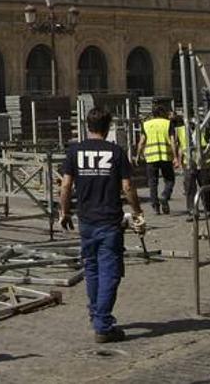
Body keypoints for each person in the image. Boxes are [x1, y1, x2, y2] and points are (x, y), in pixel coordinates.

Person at [58, 106, 145, 343]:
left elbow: (65, 186)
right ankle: (103, 324)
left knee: (93, 269)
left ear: (87, 126)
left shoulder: (74, 151)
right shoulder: (116, 152)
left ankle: (96, 313)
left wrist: (64, 212)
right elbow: (127, 187)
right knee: (110, 272)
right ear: (108, 128)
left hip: (86, 220)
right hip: (109, 220)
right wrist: (137, 212)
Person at [136, 103, 180, 214]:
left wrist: (138, 155)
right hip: (166, 156)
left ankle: (155, 205)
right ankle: (165, 195)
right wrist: (175, 157)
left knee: (152, 182)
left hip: (151, 157)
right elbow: (173, 142)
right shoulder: (168, 123)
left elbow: (141, 142)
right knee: (170, 180)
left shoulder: (146, 124)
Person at [175, 114, 210, 220]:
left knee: (205, 187)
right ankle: (192, 211)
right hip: (189, 163)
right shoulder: (180, 130)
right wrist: (178, 160)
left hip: (203, 162)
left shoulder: (204, 128)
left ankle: (208, 209)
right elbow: (180, 147)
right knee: (189, 188)